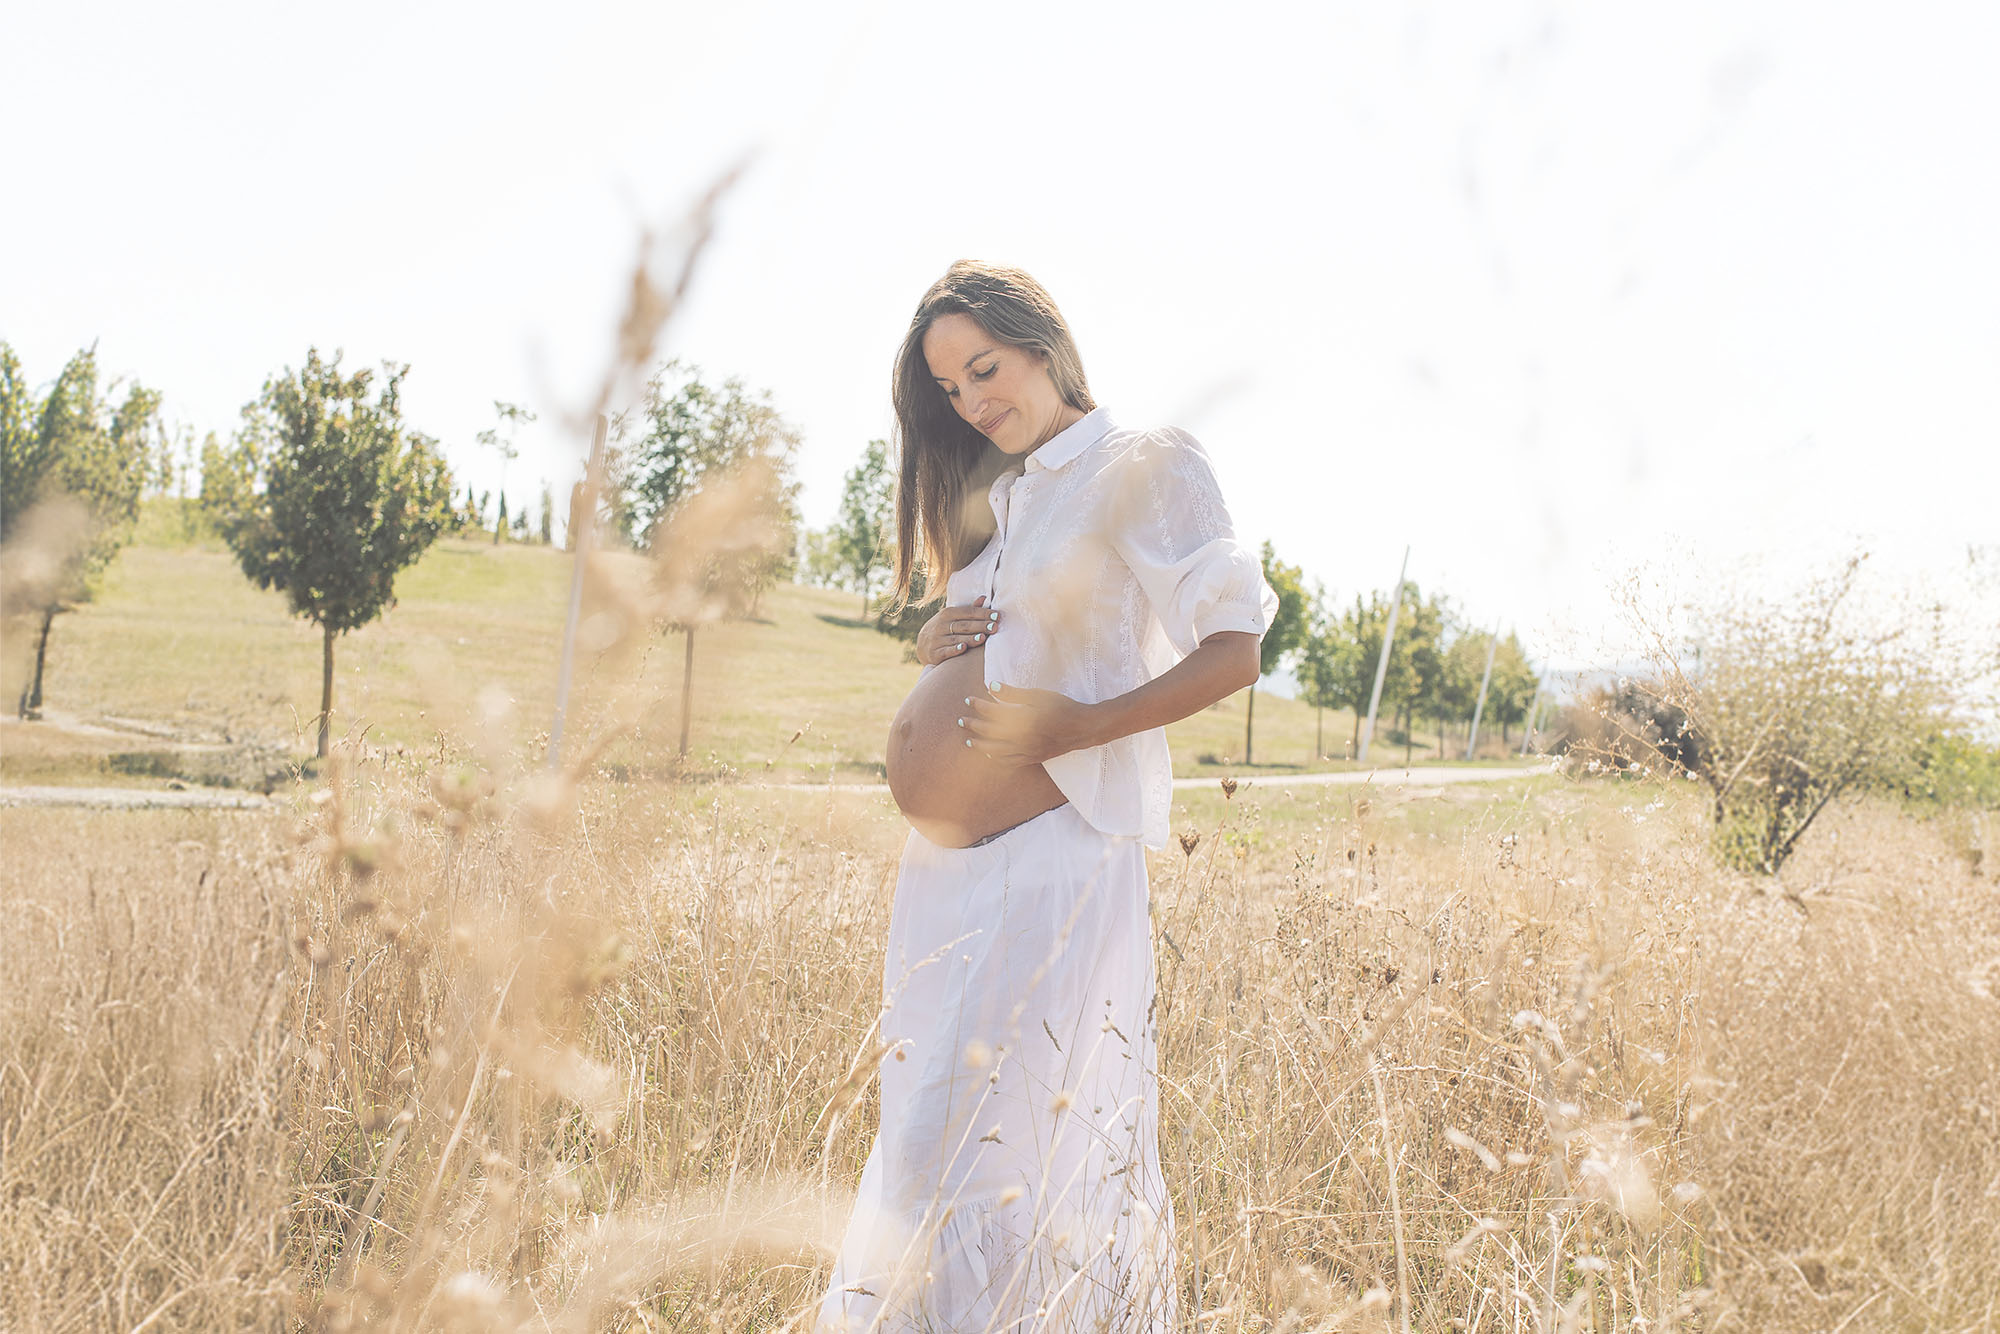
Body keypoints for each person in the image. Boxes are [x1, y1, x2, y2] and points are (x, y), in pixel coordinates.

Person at [816, 260, 1278, 1331]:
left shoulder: (1141, 462)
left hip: (1050, 859)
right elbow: (1004, 647)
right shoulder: (1007, 495)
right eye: (950, 389)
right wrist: (934, 642)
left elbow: (1235, 647)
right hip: (942, 880)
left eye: (984, 369)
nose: (972, 403)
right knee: (932, 1136)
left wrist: (1077, 726)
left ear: (1044, 344)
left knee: (993, 1145)